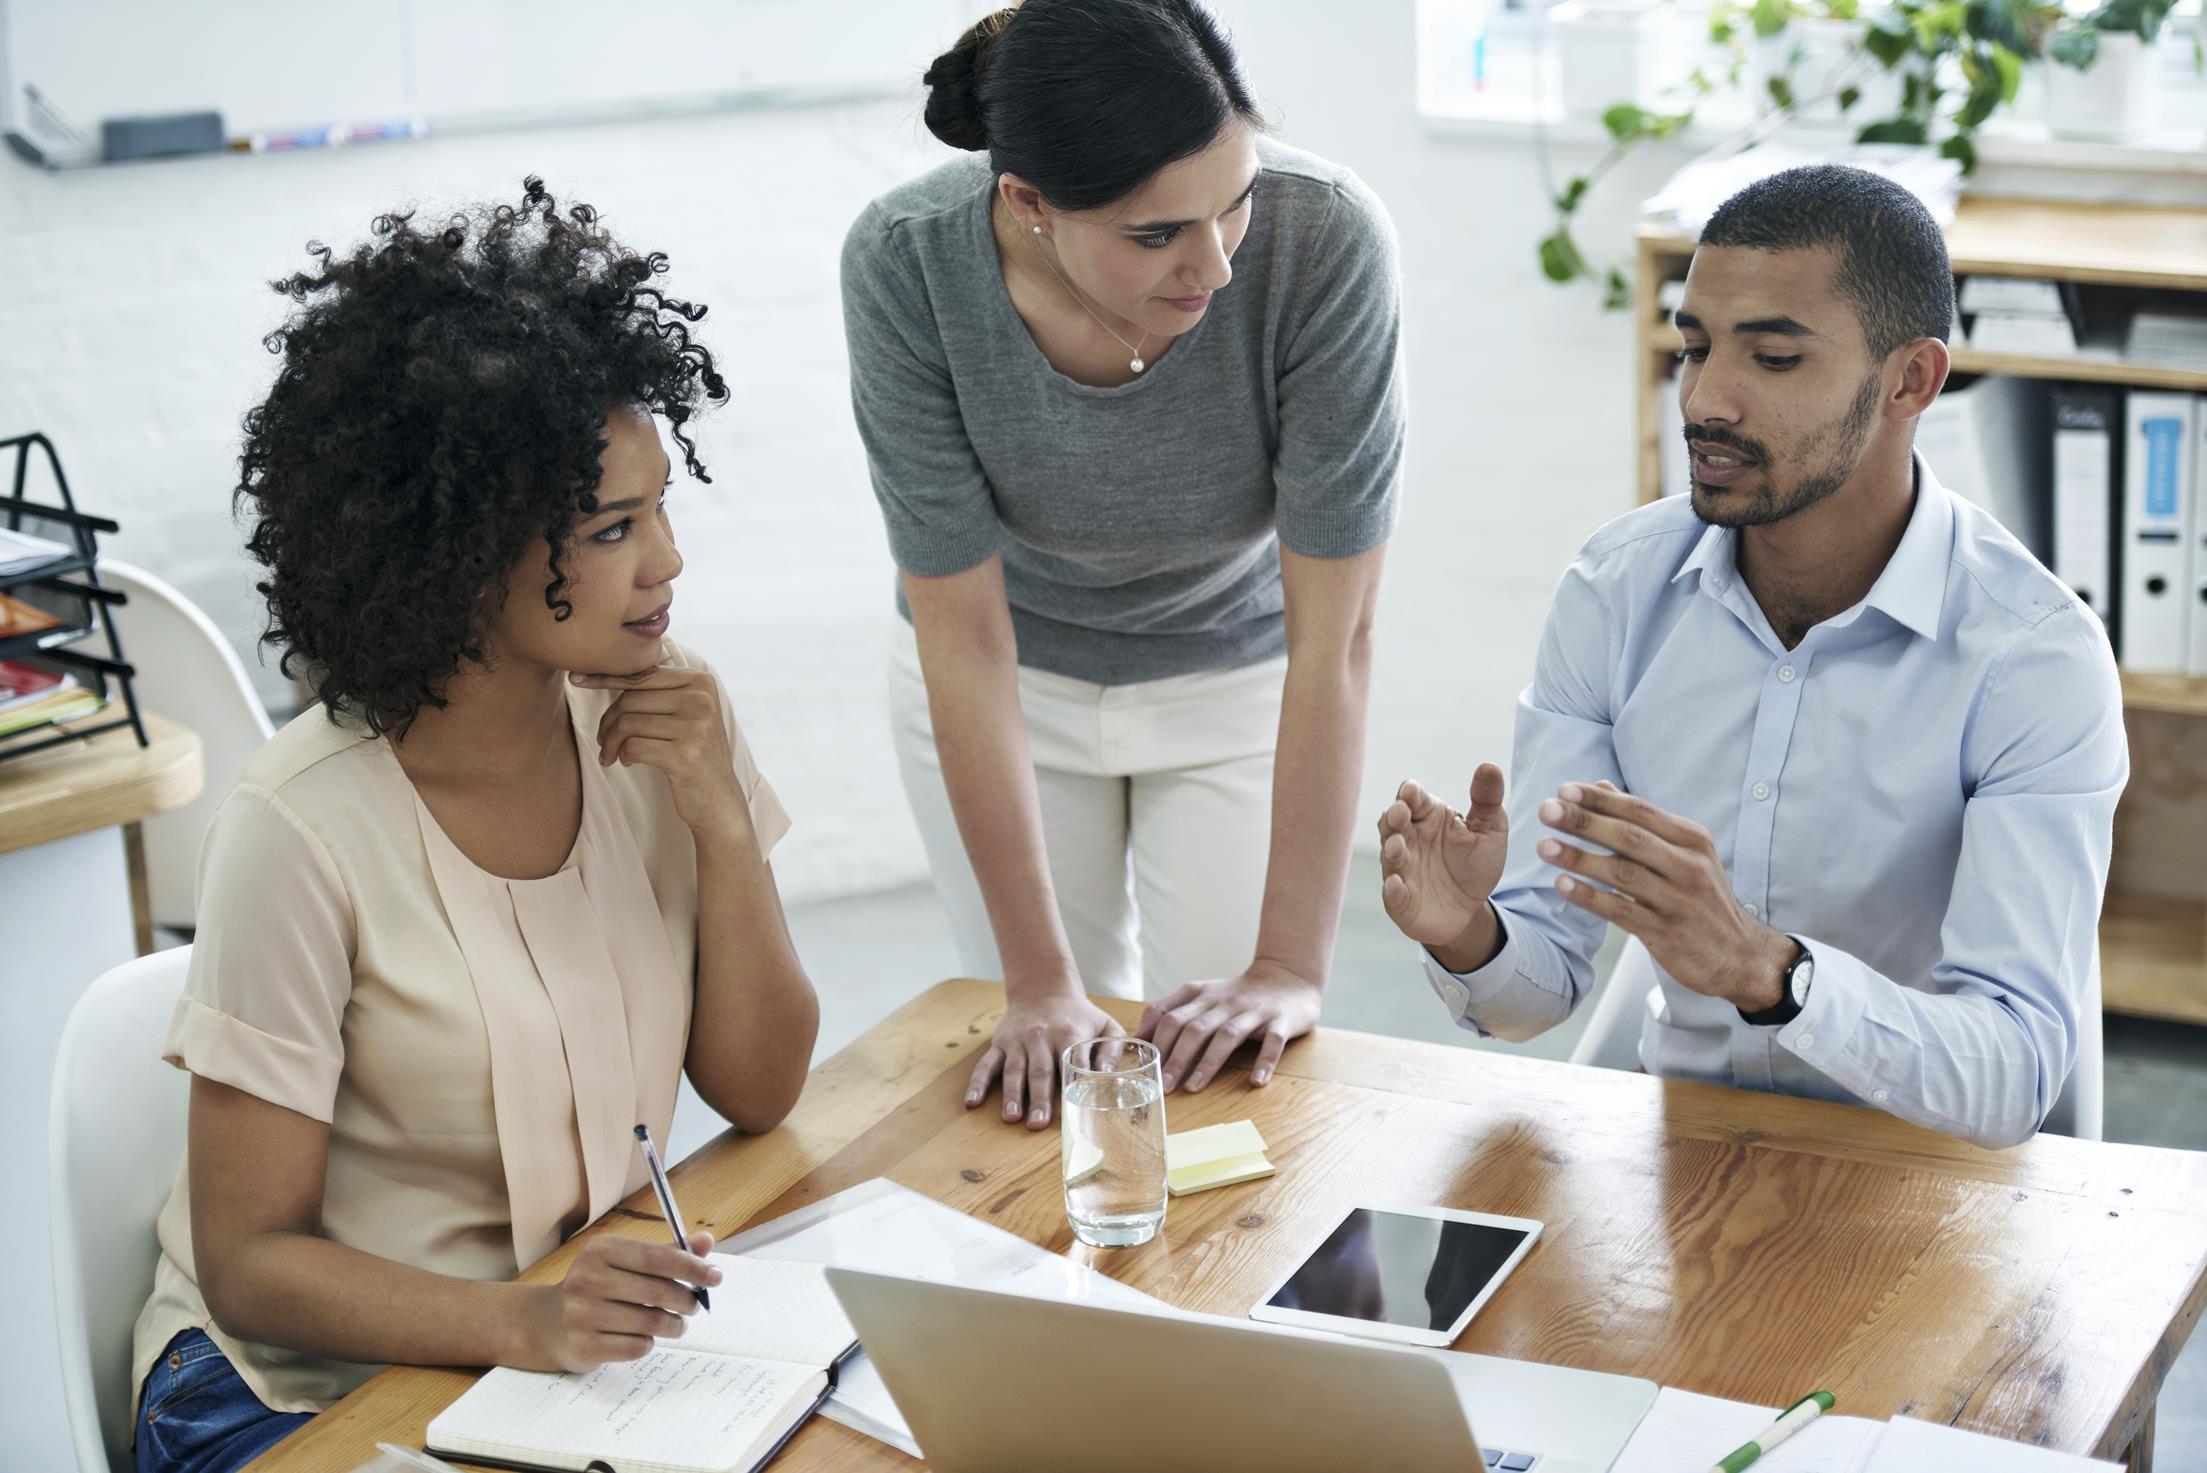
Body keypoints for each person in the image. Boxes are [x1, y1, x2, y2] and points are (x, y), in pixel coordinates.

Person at [130, 179, 820, 1473]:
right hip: (291, 1393)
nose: (665, 562)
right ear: (461, 552)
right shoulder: (305, 823)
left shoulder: (666, 719)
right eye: (613, 528)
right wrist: (527, 1319)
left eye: (660, 505)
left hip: (560, 1367)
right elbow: (248, 1263)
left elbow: (759, 1086)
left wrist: (720, 824)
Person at [1377, 165, 2127, 1150]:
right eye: (1693, 348)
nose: (1706, 400)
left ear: (1911, 380)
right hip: (1684, 1148)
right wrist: (1464, 932)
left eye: (1772, 358)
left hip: (1929, 1176)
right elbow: (1533, 993)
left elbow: (2013, 1071)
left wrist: (1764, 971)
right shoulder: (1613, 592)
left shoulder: (2032, 662)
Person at [842, 0, 1405, 1128]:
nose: (1212, 268)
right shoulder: (906, 263)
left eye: (1231, 205)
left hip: (1235, 674)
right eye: (1156, 237)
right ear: (1028, 205)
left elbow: (1332, 640)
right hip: (1007, 676)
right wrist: (1038, 985)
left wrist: (1290, 968)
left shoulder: (1325, 236)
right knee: (1057, 1076)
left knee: (1235, 1080)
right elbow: (962, 633)